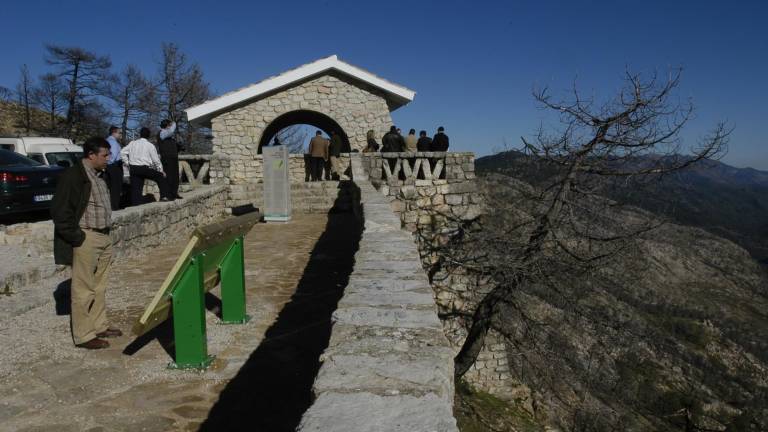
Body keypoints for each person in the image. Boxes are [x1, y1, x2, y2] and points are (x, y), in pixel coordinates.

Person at [51, 137, 122, 349]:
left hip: (104, 236)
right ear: (91, 155)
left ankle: (99, 325)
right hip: (86, 237)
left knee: (100, 286)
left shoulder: (100, 175)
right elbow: (59, 210)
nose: (108, 159)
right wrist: (77, 237)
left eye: (108, 155)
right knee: (83, 288)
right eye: (104, 155)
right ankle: (84, 335)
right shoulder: (73, 176)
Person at [121, 127, 172, 205]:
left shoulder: (132, 143)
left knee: (136, 188)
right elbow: (156, 161)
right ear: (149, 135)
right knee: (161, 177)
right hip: (144, 168)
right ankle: (164, 196)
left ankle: (136, 205)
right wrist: (161, 171)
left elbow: (122, 152)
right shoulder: (150, 145)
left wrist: (127, 163)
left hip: (133, 168)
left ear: (140, 134)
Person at [157, 120, 182, 200]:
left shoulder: (169, 137)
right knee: (169, 176)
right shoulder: (162, 133)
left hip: (173, 157)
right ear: (167, 126)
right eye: (169, 125)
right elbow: (171, 131)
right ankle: (168, 195)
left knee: (175, 177)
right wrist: (174, 123)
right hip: (167, 158)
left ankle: (174, 193)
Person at [104, 126, 123, 210]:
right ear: (114, 132)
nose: (120, 135)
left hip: (108, 166)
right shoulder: (114, 142)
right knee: (116, 188)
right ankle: (114, 207)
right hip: (114, 166)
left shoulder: (106, 141)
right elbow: (113, 156)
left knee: (109, 188)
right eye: (119, 133)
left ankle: (110, 206)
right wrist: (110, 163)